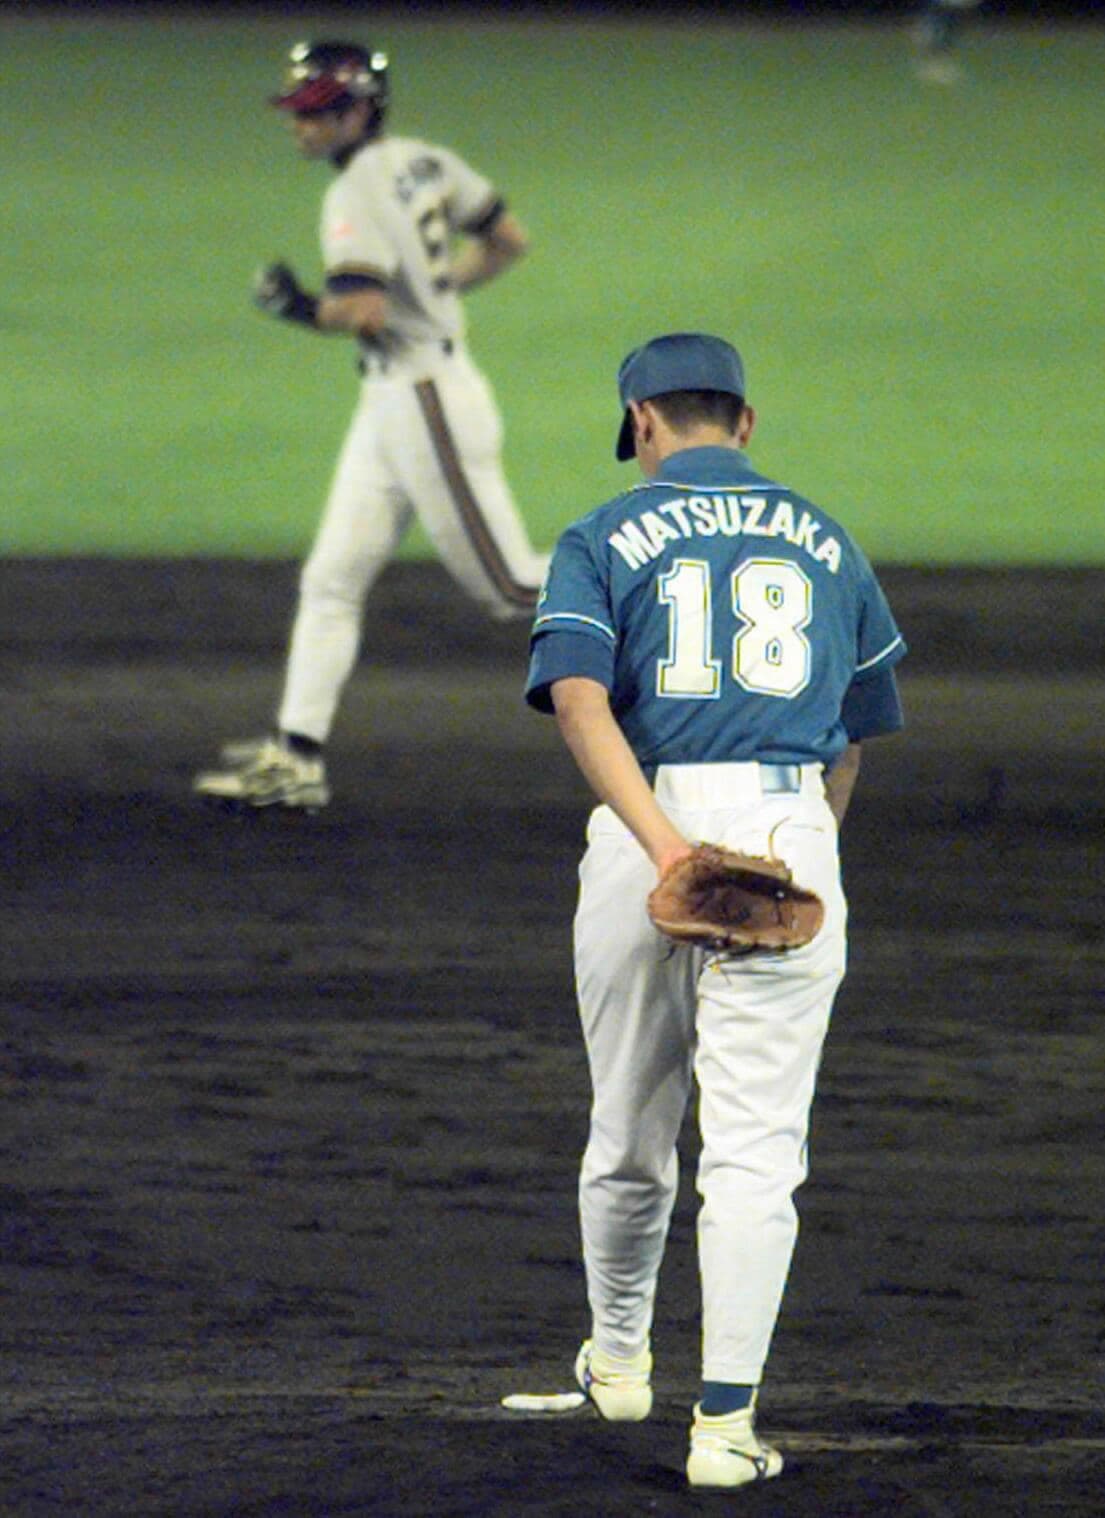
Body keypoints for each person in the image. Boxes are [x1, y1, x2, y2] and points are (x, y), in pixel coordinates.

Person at [521, 333, 906, 1489]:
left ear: (642, 421)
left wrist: (667, 846)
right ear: (745, 423)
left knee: (625, 1124)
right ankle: (724, 1432)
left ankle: (622, 1365)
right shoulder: (827, 540)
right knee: (752, 1156)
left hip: (645, 835)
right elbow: (854, 732)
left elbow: (580, 704)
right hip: (790, 831)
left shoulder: (599, 535)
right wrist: (803, 849)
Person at [194, 40, 548, 810]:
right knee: (331, 579)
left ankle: (672, 587)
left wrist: (294, 307)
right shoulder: (426, 159)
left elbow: (363, 311)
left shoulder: (352, 191)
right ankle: (296, 757)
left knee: (514, 587)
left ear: (358, 110)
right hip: (395, 401)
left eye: (315, 111)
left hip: (426, 401)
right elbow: (507, 239)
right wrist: (439, 285)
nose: (300, 125)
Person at [912, 0, 984, 84]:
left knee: (947, 30)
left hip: (947, 10)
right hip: (941, 9)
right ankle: (933, 66)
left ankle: (937, 65)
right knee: (938, 32)